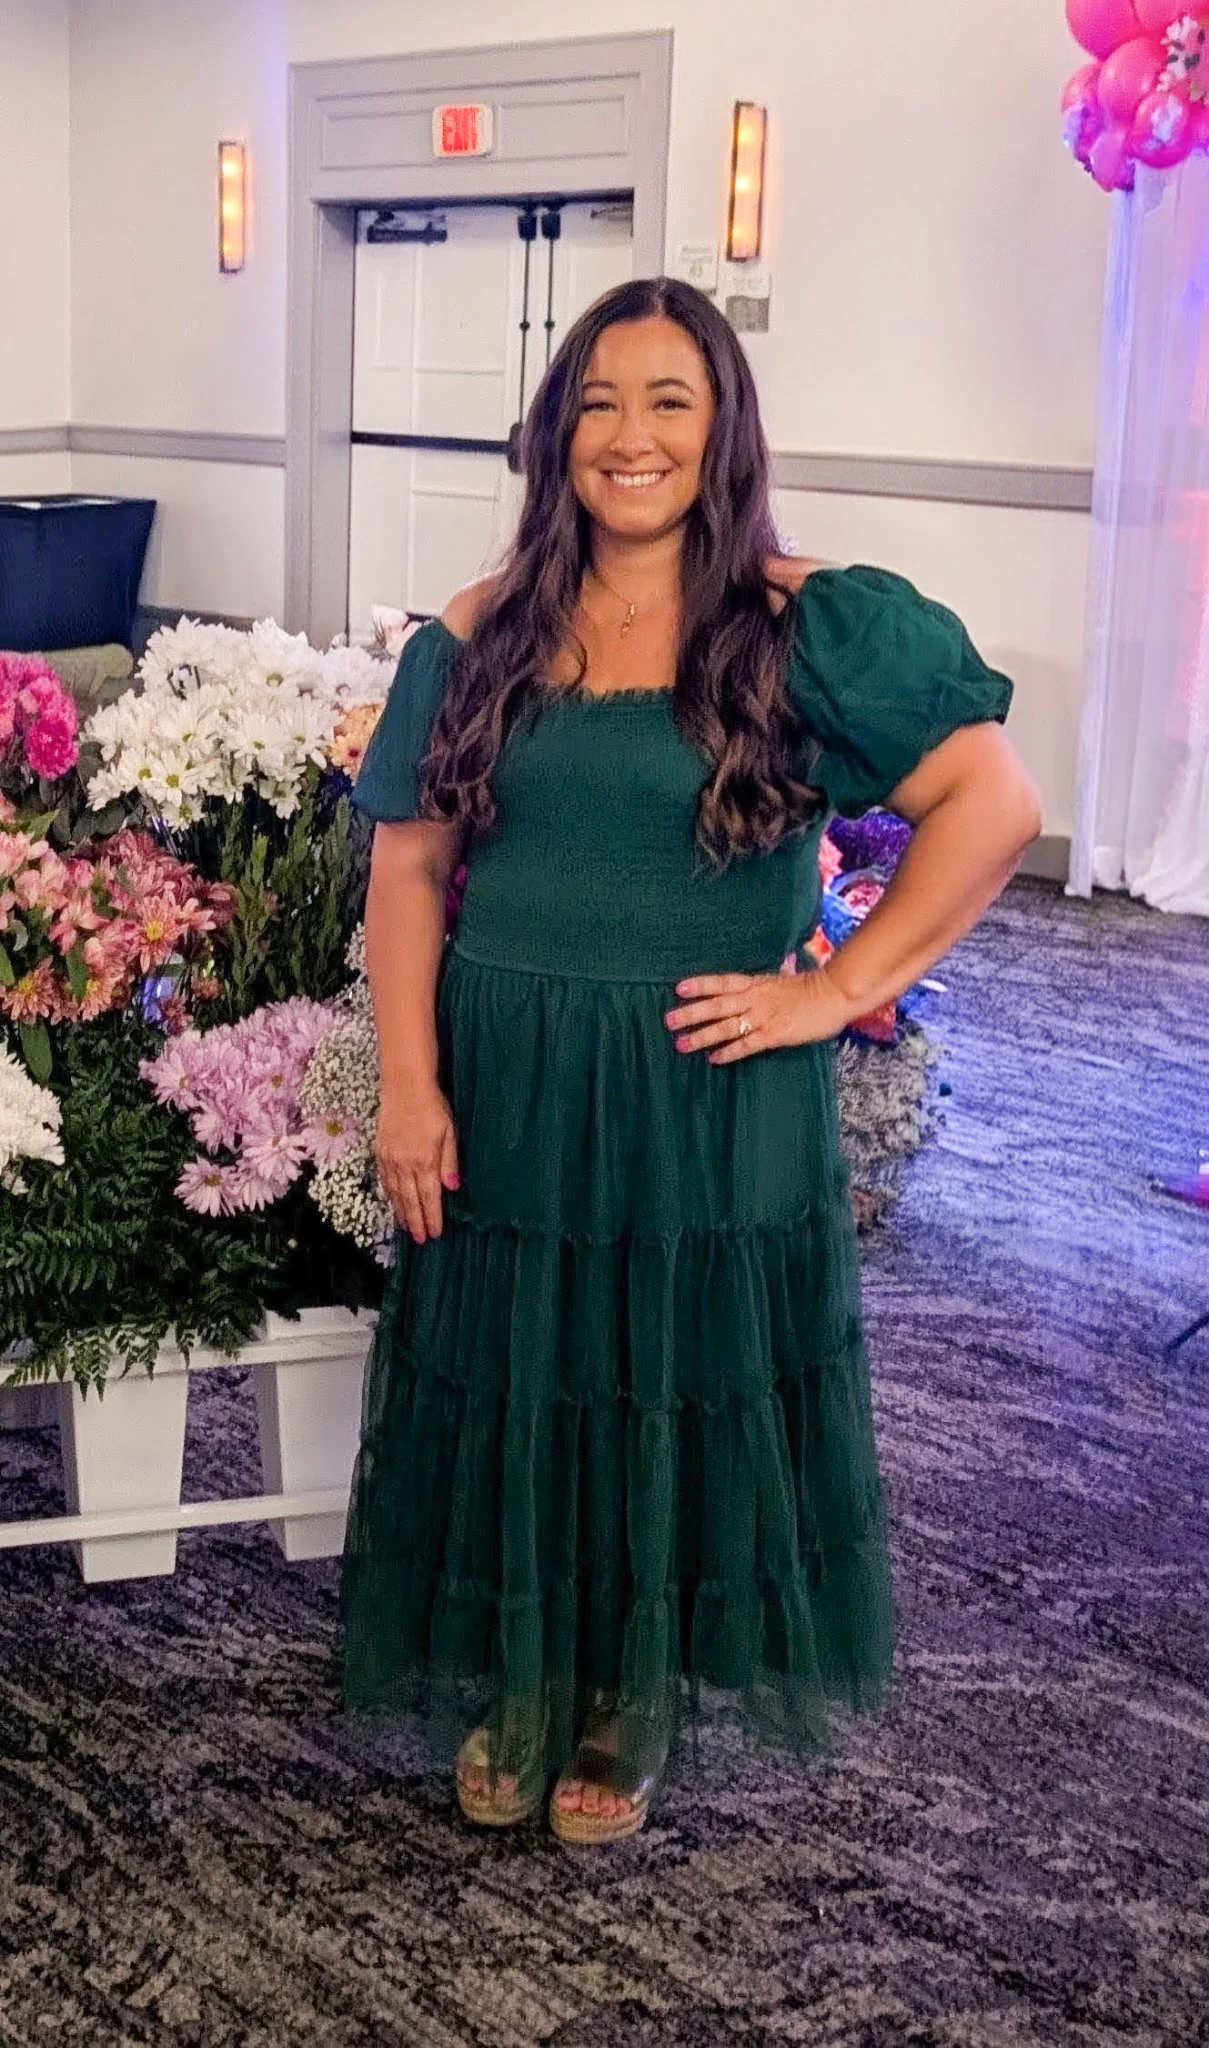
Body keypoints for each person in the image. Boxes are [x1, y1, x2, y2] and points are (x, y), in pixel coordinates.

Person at [341, 276, 1041, 1846]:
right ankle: (525, 1677)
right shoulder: (478, 629)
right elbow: (404, 870)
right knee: (530, 1374)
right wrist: (406, 1081)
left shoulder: (807, 626)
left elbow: (991, 801)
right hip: (509, 1083)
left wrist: (840, 986)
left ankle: (628, 1691)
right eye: (599, 401)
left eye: (671, 400)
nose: (631, 435)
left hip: (703, 1088)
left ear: (722, 429)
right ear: (556, 433)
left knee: (668, 1380)